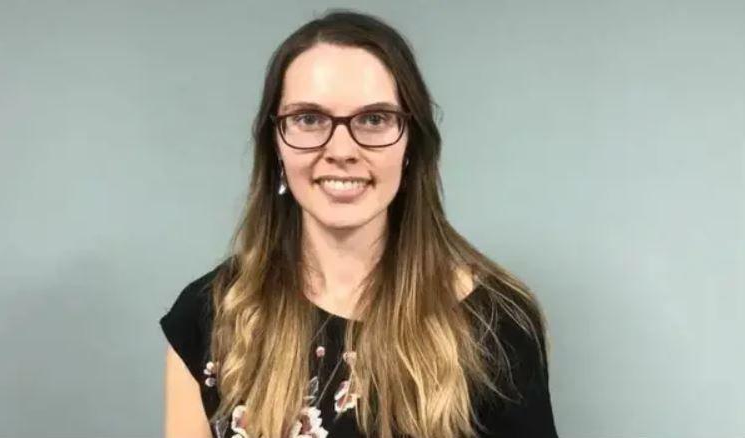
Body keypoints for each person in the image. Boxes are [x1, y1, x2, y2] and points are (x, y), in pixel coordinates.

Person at [160, 9, 558, 438]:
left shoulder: (497, 323)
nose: (342, 149)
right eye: (309, 119)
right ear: (275, 143)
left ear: (411, 144)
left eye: (373, 119)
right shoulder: (209, 314)